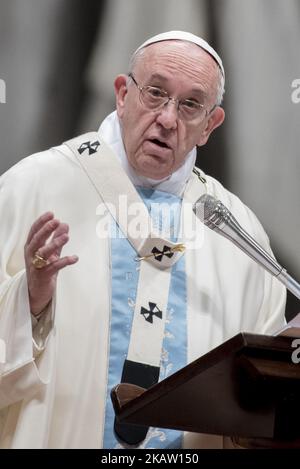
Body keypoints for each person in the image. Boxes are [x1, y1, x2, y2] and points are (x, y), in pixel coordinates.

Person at [0, 31, 286, 449]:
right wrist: (29, 301)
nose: (168, 119)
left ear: (210, 124)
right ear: (121, 94)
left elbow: (263, 396)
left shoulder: (235, 230)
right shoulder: (34, 187)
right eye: (155, 93)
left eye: (191, 104)